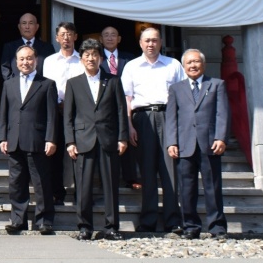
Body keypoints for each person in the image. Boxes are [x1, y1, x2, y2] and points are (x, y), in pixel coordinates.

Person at [121, 27, 186, 233]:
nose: (151, 44)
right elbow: (127, 99)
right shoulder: (132, 66)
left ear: (160, 42)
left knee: (170, 171)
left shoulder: (173, 65)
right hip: (142, 119)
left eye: (154, 40)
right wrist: (129, 125)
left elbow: (183, 95)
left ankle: (172, 220)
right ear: (140, 43)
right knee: (147, 171)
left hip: (168, 116)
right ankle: (148, 220)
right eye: (147, 40)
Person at [64, 39, 128, 241]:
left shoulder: (113, 80)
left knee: (110, 185)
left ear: (101, 57)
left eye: (94, 54)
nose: (91, 58)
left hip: (108, 139)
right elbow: (68, 116)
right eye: (86, 55)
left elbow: (120, 111)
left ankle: (111, 227)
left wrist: (122, 137)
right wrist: (70, 142)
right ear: (81, 59)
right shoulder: (73, 83)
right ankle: (84, 227)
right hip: (83, 140)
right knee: (83, 186)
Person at [166, 49, 230, 240]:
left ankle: (217, 228)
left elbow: (222, 113)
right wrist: (171, 141)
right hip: (185, 144)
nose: (193, 66)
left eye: (196, 62)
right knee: (187, 189)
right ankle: (190, 227)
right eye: (189, 63)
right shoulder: (176, 88)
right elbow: (171, 117)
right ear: (183, 67)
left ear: (203, 64)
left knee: (213, 188)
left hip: (209, 143)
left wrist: (221, 137)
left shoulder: (217, 84)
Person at [0, 45, 58, 235]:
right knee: (16, 183)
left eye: (29, 58)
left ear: (36, 60)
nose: (26, 62)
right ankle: (18, 220)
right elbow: (4, 113)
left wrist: (51, 138)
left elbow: (52, 115)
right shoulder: (9, 84)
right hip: (14, 140)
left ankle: (44, 221)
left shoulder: (47, 84)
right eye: (22, 59)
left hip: (38, 140)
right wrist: (2, 137)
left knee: (41, 183)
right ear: (16, 62)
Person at [42, 22, 84, 206]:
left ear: (75, 37)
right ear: (57, 38)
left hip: (79, 113)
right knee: (54, 154)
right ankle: (56, 193)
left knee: (79, 154)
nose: (66, 38)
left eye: (69, 34)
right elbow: (46, 88)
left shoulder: (83, 59)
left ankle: (80, 194)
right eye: (62, 34)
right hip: (56, 111)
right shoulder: (49, 61)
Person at [100, 26, 140, 191]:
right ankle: (106, 181)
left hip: (126, 104)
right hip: (104, 106)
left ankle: (131, 178)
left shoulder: (129, 59)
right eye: (106, 35)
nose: (110, 38)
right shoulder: (95, 58)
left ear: (119, 39)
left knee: (127, 141)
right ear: (100, 39)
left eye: (113, 35)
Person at [0, 13, 55, 81]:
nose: (27, 27)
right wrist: (14, 84)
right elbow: (5, 69)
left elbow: (52, 69)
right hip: (16, 88)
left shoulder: (47, 48)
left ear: (37, 26)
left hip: (41, 87)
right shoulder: (9, 47)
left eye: (31, 23)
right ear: (19, 27)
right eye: (24, 23)